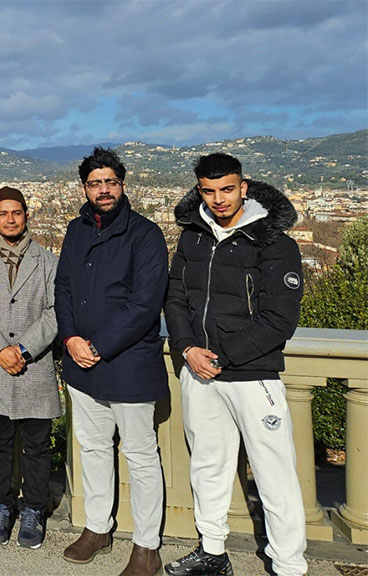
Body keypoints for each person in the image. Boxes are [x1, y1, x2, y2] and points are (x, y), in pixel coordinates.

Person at [163, 153, 307, 576]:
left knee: (274, 472)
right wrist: (188, 347)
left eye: (227, 189)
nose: (218, 199)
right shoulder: (192, 237)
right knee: (207, 464)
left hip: (253, 374)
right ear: (199, 190)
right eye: (208, 191)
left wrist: (220, 357)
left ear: (244, 187)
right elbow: (175, 298)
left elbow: (280, 320)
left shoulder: (275, 242)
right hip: (199, 369)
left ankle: (289, 565)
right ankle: (212, 552)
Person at [54, 147, 168, 576]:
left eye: (110, 182)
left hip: (128, 362)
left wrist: (97, 346)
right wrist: (69, 338)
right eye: (95, 183)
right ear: (84, 188)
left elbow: (145, 304)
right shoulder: (75, 230)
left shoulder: (145, 234)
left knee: (140, 455)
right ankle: (98, 529)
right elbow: (62, 288)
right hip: (82, 361)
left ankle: (147, 546)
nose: (103, 190)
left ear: (123, 184)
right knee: (93, 448)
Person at [0, 186, 60, 549]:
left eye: (16, 213)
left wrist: (21, 348)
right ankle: (1, 505)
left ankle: (33, 509)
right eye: (3, 213)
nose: (9, 219)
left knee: (37, 444)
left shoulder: (47, 261)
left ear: (26, 216)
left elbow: (55, 313)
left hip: (33, 365)